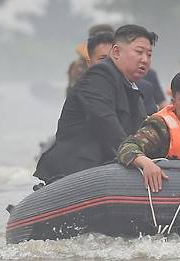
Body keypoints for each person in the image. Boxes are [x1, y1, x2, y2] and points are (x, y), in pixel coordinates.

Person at [34, 24, 157, 183]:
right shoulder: (99, 75)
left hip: (107, 167)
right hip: (77, 169)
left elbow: (142, 129)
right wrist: (135, 155)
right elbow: (104, 119)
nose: (145, 60)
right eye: (139, 52)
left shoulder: (133, 87)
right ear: (117, 52)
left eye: (149, 54)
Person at [87, 30, 159, 115]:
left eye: (113, 57)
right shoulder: (84, 91)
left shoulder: (143, 88)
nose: (109, 63)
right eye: (103, 58)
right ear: (89, 63)